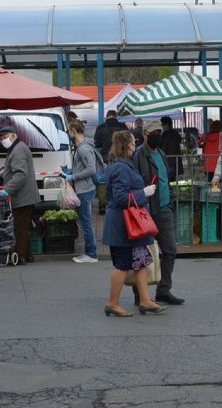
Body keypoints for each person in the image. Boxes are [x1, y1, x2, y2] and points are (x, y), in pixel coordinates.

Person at [102, 130, 167, 317]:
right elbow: (121, 197)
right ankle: (112, 303)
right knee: (122, 265)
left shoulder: (120, 164)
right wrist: (143, 193)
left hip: (129, 224)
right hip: (125, 225)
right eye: (133, 141)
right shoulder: (121, 167)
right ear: (127, 145)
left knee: (140, 263)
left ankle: (145, 300)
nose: (135, 144)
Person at [132, 120, 183, 305]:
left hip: (164, 209)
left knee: (170, 250)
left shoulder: (161, 153)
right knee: (141, 254)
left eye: (160, 133)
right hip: (146, 210)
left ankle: (163, 290)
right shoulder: (139, 155)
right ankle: (140, 293)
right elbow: (136, 183)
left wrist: (168, 204)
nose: (157, 136)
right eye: (154, 133)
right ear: (145, 134)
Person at [0, 125, 40, 265]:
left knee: (19, 228)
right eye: (1, 138)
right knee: (24, 227)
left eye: (5, 137)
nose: (3, 140)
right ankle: (27, 255)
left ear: (13, 136)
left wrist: (7, 189)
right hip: (25, 195)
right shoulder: (16, 148)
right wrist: (1, 175)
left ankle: (19, 256)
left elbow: (21, 174)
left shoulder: (18, 149)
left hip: (22, 196)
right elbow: (14, 168)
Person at [66, 120, 99, 263]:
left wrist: (73, 176)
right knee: (85, 222)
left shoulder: (83, 149)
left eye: (69, 130)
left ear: (73, 130)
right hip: (85, 188)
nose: (68, 133)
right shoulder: (82, 146)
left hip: (84, 189)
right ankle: (89, 252)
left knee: (86, 223)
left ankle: (91, 254)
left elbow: (91, 169)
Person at [94, 110, 128, 214]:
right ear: (116, 116)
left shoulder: (100, 127)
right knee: (119, 178)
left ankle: (103, 204)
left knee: (103, 180)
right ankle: (119, 201)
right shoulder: (123, 126)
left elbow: (97, 143)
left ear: (107, 116)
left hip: (105, 157)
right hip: (120, 157)